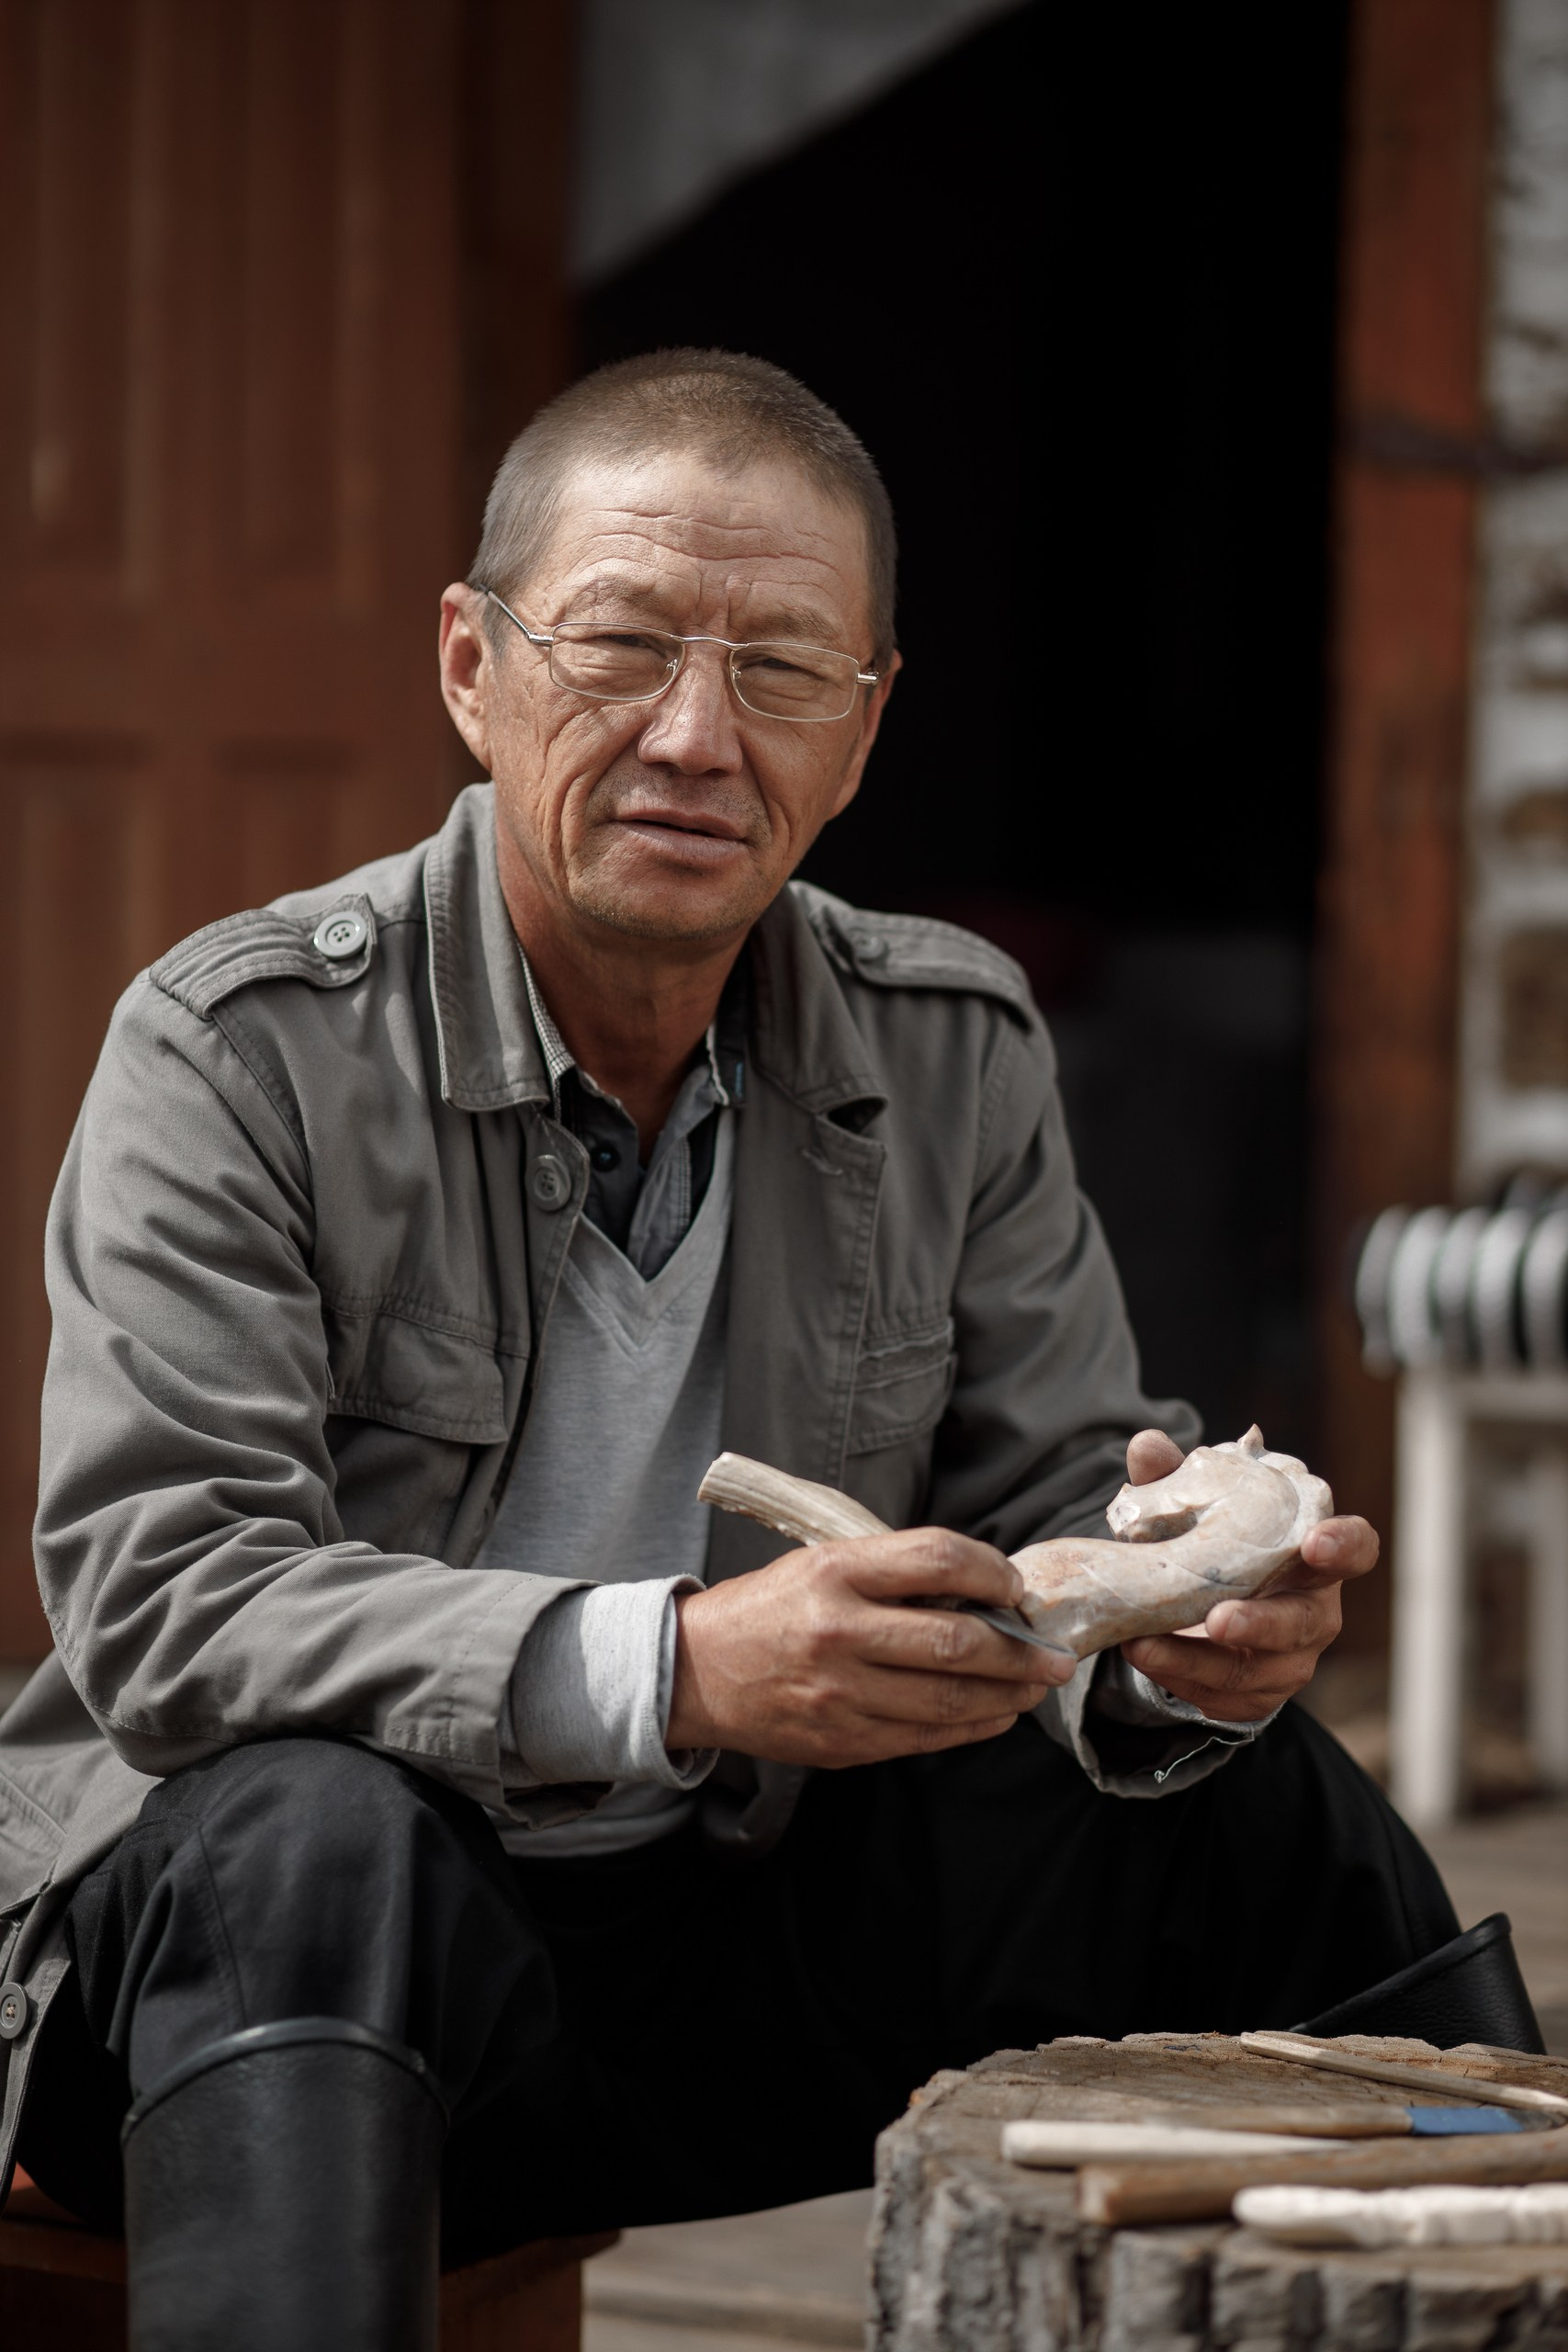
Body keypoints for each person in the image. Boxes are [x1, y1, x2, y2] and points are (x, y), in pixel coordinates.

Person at [0, 352, 1489, 2351]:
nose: (694, 737)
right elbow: (168, 1599)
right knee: (311, 1834)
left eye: (781, 670)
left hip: (720, 1952)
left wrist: (1163, 1642)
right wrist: (681, 1666)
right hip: (273, 2018)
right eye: (620, 647)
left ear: (861, 730)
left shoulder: (948, 1043)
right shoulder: (237, 1051)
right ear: (471, 666)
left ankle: (1511, 2256)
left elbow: (1057, 1490)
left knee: (1249, 1795)